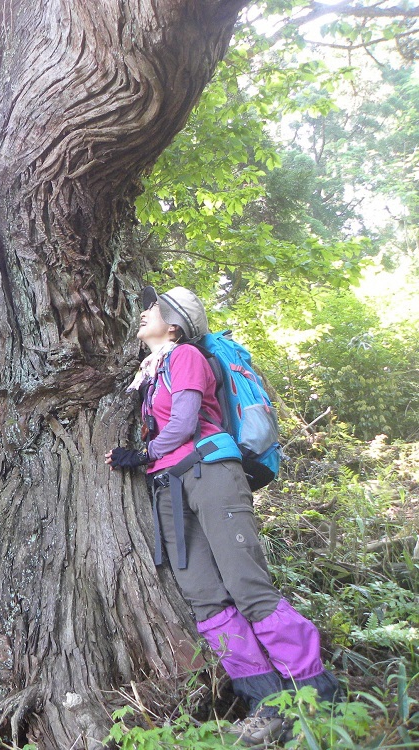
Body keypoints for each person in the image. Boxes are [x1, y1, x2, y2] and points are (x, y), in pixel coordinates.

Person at [105, 286, 341, 746]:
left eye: (152, 309)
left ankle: (316, 694)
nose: (142, 312)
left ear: (174, 325)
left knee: (247, 586)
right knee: (205, 598)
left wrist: (143, 452)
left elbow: (186, 421)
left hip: (211, 472)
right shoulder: (149, 371)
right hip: (168, 488)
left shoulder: (186, 356)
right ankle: (265, 703)